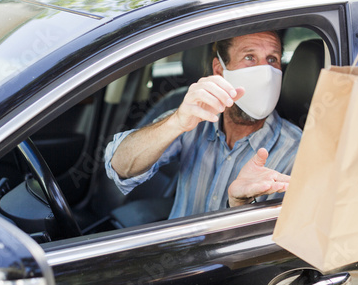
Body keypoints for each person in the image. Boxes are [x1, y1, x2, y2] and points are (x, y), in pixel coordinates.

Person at [104, 31, 302, 219]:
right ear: (220, 70)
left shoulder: (299, 153)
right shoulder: (194, 118)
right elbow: (120, 167)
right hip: (174, 251)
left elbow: (285, 245)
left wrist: (240, 205)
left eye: (272, 59)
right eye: (249, 57)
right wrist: (176, 123)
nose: (266, 73)